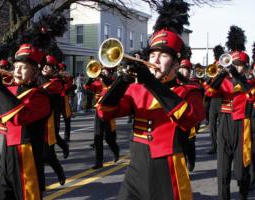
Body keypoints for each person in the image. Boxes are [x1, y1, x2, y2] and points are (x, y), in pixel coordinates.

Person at [97, 1, 204, 199]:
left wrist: (151, 82)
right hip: (136, 167)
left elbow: (189, 119)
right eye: (152, 54)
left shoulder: (189, 91)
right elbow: (104, 112)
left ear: (176, 63)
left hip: (168, 166)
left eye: (162, 55)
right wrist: (121, 81)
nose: (154, 60)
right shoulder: (138, 89)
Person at [0, 43, 51, 200]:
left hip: (26, 155)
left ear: (35, 72)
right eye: (15, 66)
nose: (16, 71)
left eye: (23, 67)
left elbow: (18, 117)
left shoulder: (41, 97)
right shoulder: (10, 90)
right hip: (5, 153)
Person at [204, 26, 254, 200]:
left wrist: (238, 76)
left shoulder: (251, 82)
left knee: (242, 172)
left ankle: (243, 195)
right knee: (222, 172)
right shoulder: (224, 82)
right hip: (224, 124)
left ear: (246, 67)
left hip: (243, 125)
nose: (237, 68)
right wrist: (221, 74)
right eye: (235, 65)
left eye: (240, 65)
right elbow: (209, 92)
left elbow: (252, 95)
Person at [38, 54, 68, 185]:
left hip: (49, 122)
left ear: (54, 69)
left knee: (48, 154)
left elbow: (46, 86)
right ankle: (41, 184)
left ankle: (60, 172)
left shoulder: (57, 82)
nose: (45, 67)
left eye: (48, 66)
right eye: (44, 65)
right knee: (37, 156)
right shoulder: (38, 79)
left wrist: (36, 72)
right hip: (36, 120)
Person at [84, 68, 120, 169]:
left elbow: (109, 85)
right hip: (98, 112)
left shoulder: (113, 81)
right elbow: (86, 87)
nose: (102, 72)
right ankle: (98, 162)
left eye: (105, 71)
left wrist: (102, 75)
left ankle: (115, 150)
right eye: (102, 71)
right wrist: (91, 77)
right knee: (97, 137)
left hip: (109, 112)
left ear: (110, 72)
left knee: (109, 138)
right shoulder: (97, 83)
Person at [206, 45, 224, 155]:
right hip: (213, 100)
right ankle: (213, 146)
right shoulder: (213, 67)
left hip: (223, 99)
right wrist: (214, 77)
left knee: (222, 126)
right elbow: (207, 85)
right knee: (212, 124)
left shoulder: (225, 68)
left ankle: (222, 145)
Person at [58, 63, 73, 142]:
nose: (61, 71)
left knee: (67, 119)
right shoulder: (55, 77)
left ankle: (67, 137)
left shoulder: (68, 77)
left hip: (65, 99)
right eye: (60, 69)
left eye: (62, 69)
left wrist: (65, 78)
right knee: (56, 120)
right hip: (57, 98)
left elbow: (68, 87)